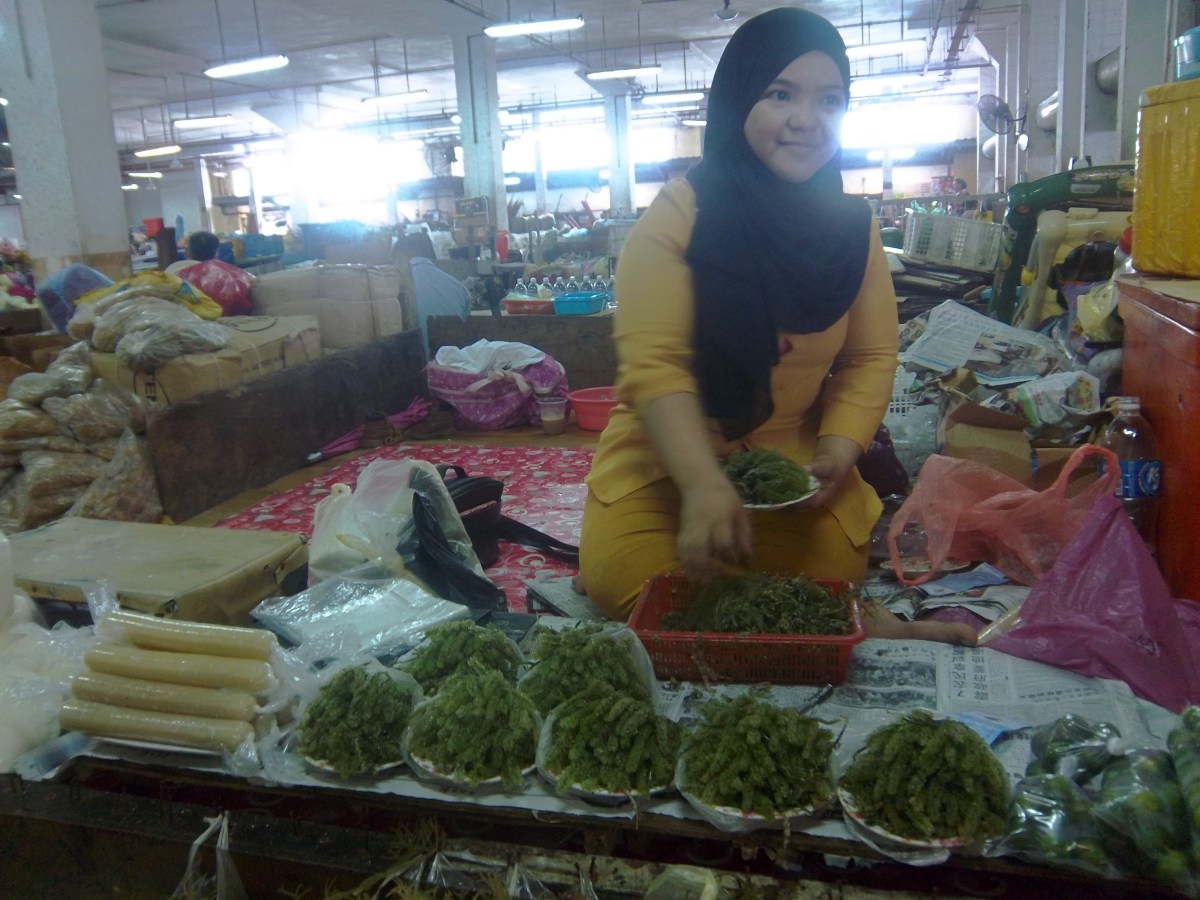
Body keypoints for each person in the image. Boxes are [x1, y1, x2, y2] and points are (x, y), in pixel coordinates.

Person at [576, 7, 975, 646]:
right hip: (668, 459)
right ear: (738, 100)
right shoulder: (678, 215)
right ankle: (859, 623)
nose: (806, 119)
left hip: (794, 466)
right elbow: (655, 365)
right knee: (631, 581)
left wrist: (839, 449)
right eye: (780, 94)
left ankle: (853, 617)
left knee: (827, 575)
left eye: (829, 100)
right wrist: (702, 484)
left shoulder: (853, 230)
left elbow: (870, 355)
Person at [408, 254, 471, 360]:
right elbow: (469, 337)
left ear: (400, 255)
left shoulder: (396, 286)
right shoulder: (459, 288)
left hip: (412, 364)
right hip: (453, 364)